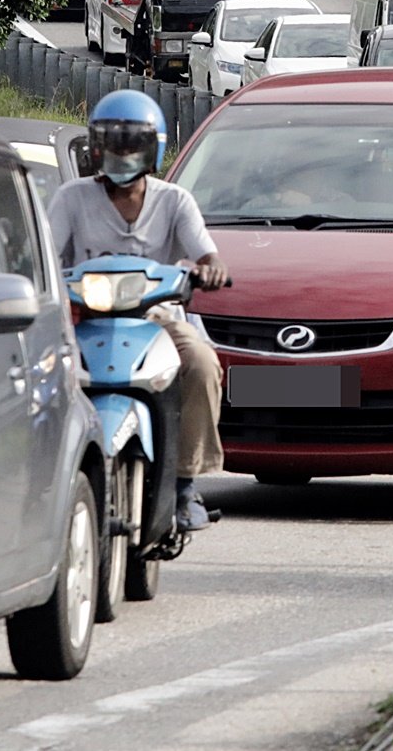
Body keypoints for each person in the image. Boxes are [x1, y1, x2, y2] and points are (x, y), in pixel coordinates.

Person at [49, 90, 229, 533]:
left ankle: (186, 484)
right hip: (84, 319)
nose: (122, 154)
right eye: (112, 144)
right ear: (95, 149)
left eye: (133, 145)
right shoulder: (72, 198)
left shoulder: (174, 201)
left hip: (157, 321)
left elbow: (206, 254)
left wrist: (210, 270)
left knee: (203, 364)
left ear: (154, 151)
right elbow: (46, 254)